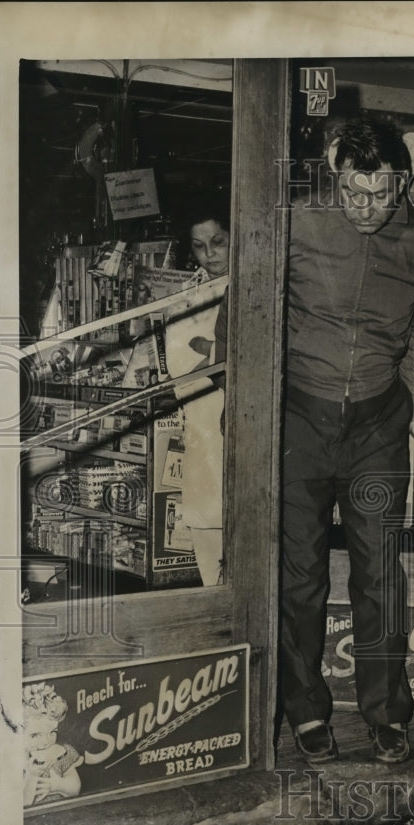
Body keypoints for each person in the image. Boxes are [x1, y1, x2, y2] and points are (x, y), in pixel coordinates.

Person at [281, 117, 414, 765]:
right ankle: (305, 708)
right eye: (354, 193)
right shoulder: (296, 224)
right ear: (335, 175)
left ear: (402, 182)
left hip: (379, 424)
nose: (368, 210)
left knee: (380, 574)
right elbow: (245, 321)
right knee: (300, 578)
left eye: (382, 195)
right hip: (299, 418)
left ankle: (385, 712)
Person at [165, 197, 229, 586]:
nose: (210, 254)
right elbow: (181, 371)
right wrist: (218, 352)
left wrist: (209, 348)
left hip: (247, 430)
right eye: (199, 246)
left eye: (218, 241)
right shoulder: (187, 299)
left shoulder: (263, 285)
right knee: (210, 552)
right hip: (205, 433)